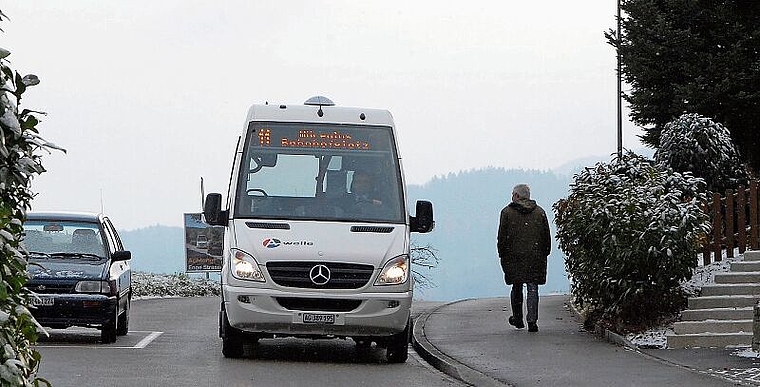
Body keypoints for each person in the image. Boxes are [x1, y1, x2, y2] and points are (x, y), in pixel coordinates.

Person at [497, 184, 551, 333]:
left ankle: (518, 318)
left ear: (516, 196)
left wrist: (502, 253)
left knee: (517, 286)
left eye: (513, 194)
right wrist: (544, 252)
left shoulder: (507, 213)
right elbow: (546, 237)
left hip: (513, 257)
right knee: (533, 287)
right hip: (535, 256)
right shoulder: (539, 212)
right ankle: (532, 320)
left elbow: (502, 237)